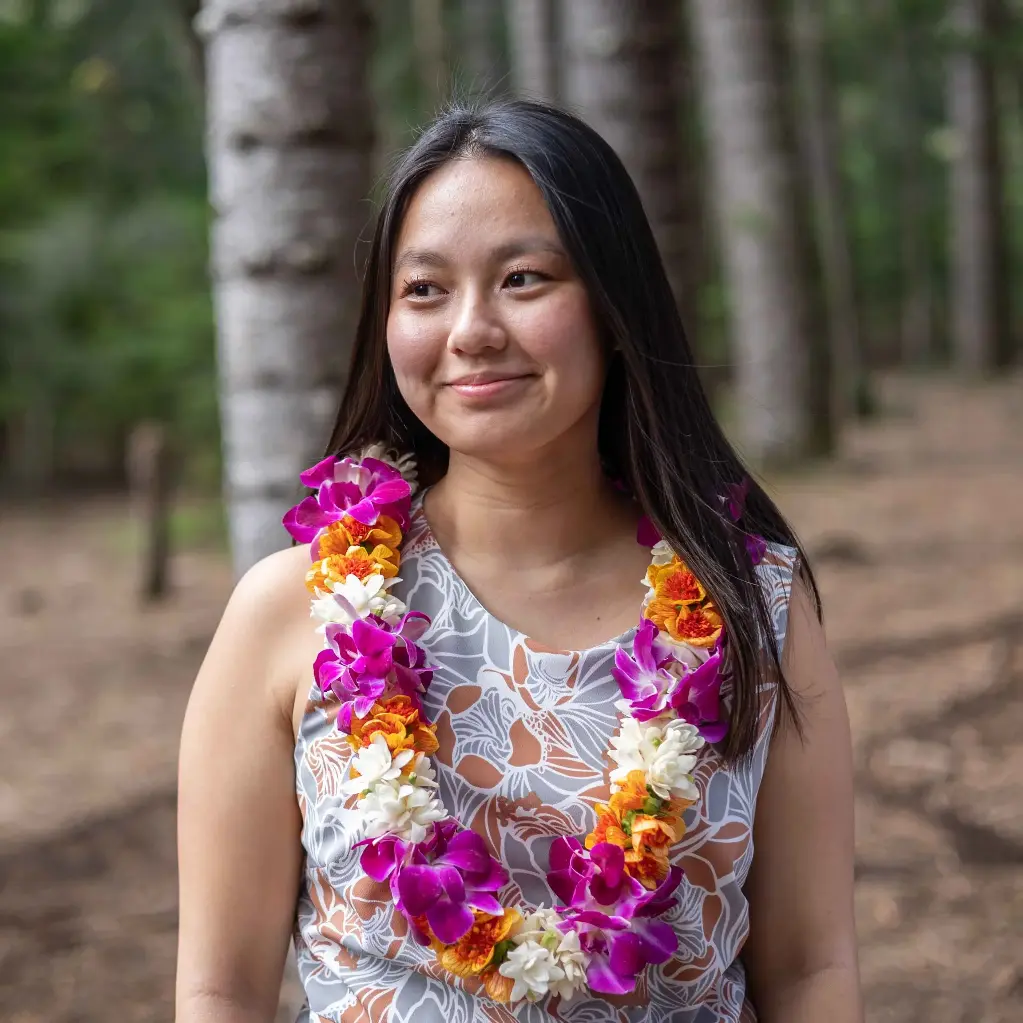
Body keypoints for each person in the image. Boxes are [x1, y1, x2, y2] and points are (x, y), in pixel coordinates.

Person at [176, 99, 861, 1023]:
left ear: (615, 306)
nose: (470, 330)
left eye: (524, 279)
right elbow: (221, 987)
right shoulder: (288, 611)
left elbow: (810, 968)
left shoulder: (751, 604)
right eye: (424, 290)